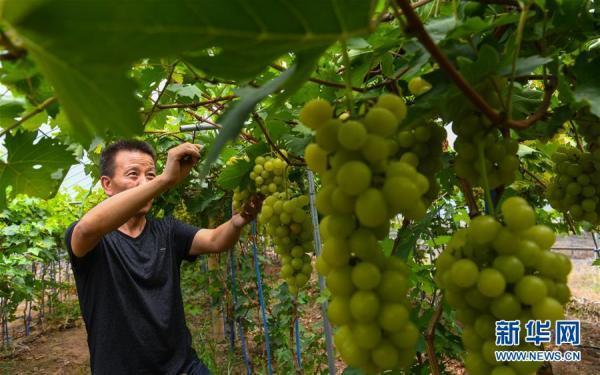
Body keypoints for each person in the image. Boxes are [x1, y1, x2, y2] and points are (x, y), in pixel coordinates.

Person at [64, 140, 262, 374]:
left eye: (150, 174)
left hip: (183, 368)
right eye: (132, 174)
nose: (144, 182)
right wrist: (163, 181)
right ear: (107, 185)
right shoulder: (92, 238)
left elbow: (216, 240)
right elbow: (87, 229)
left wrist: (237, 221)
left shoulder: (167, 230)